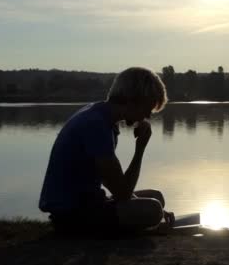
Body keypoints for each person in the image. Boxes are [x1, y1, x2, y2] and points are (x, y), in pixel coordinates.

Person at [39, 67, 175, 233]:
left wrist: (141, 205)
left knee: (156, 197)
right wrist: (140, 149)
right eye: (147, 108)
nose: (147, 115)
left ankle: (140, 222)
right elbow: (122, 193)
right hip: (71, 214)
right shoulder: (97, 125)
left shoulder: (101, 116)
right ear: (133, 100)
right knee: (153, 209)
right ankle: (137, 228)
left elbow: (114, 183)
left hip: (85, 203)